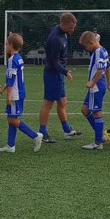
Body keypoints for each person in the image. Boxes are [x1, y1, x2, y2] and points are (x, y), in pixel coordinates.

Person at [0, 33, 44, 153]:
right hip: (19, 91)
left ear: (11, 45)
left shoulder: (12, 60)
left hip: (15, 93)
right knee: (11, 117)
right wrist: (3, 88)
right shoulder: (18, 58)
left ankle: (35, 136)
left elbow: (12, 79)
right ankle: (10, 145)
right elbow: (12, 77)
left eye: (7, 44)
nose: (5, 46)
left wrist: (8, 95)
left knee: (12, 120)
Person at [39, 12, 80, 143]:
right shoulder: (55, 39)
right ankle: (42, 133)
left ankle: (67, 130)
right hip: (52, 73)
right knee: (48, 103)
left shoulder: (62, 32)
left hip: (58, 73)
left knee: (62, 101)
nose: (72, 30)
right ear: (62, 24)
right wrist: (65, 71)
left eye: (73, 27)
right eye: (70, 28)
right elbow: (52, 61)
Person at [79, 30, 110, 150]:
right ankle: (101, 136)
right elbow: (108, 68)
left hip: (96, 86)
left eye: (86, 46)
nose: (85, 48)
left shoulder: (98, 52)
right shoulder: (103, 50)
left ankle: (98, 143)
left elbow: (100, 70)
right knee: (85, 109)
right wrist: (109, 84)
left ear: (92, 42)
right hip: (99, 85)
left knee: (96, 112)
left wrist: (92, 82)